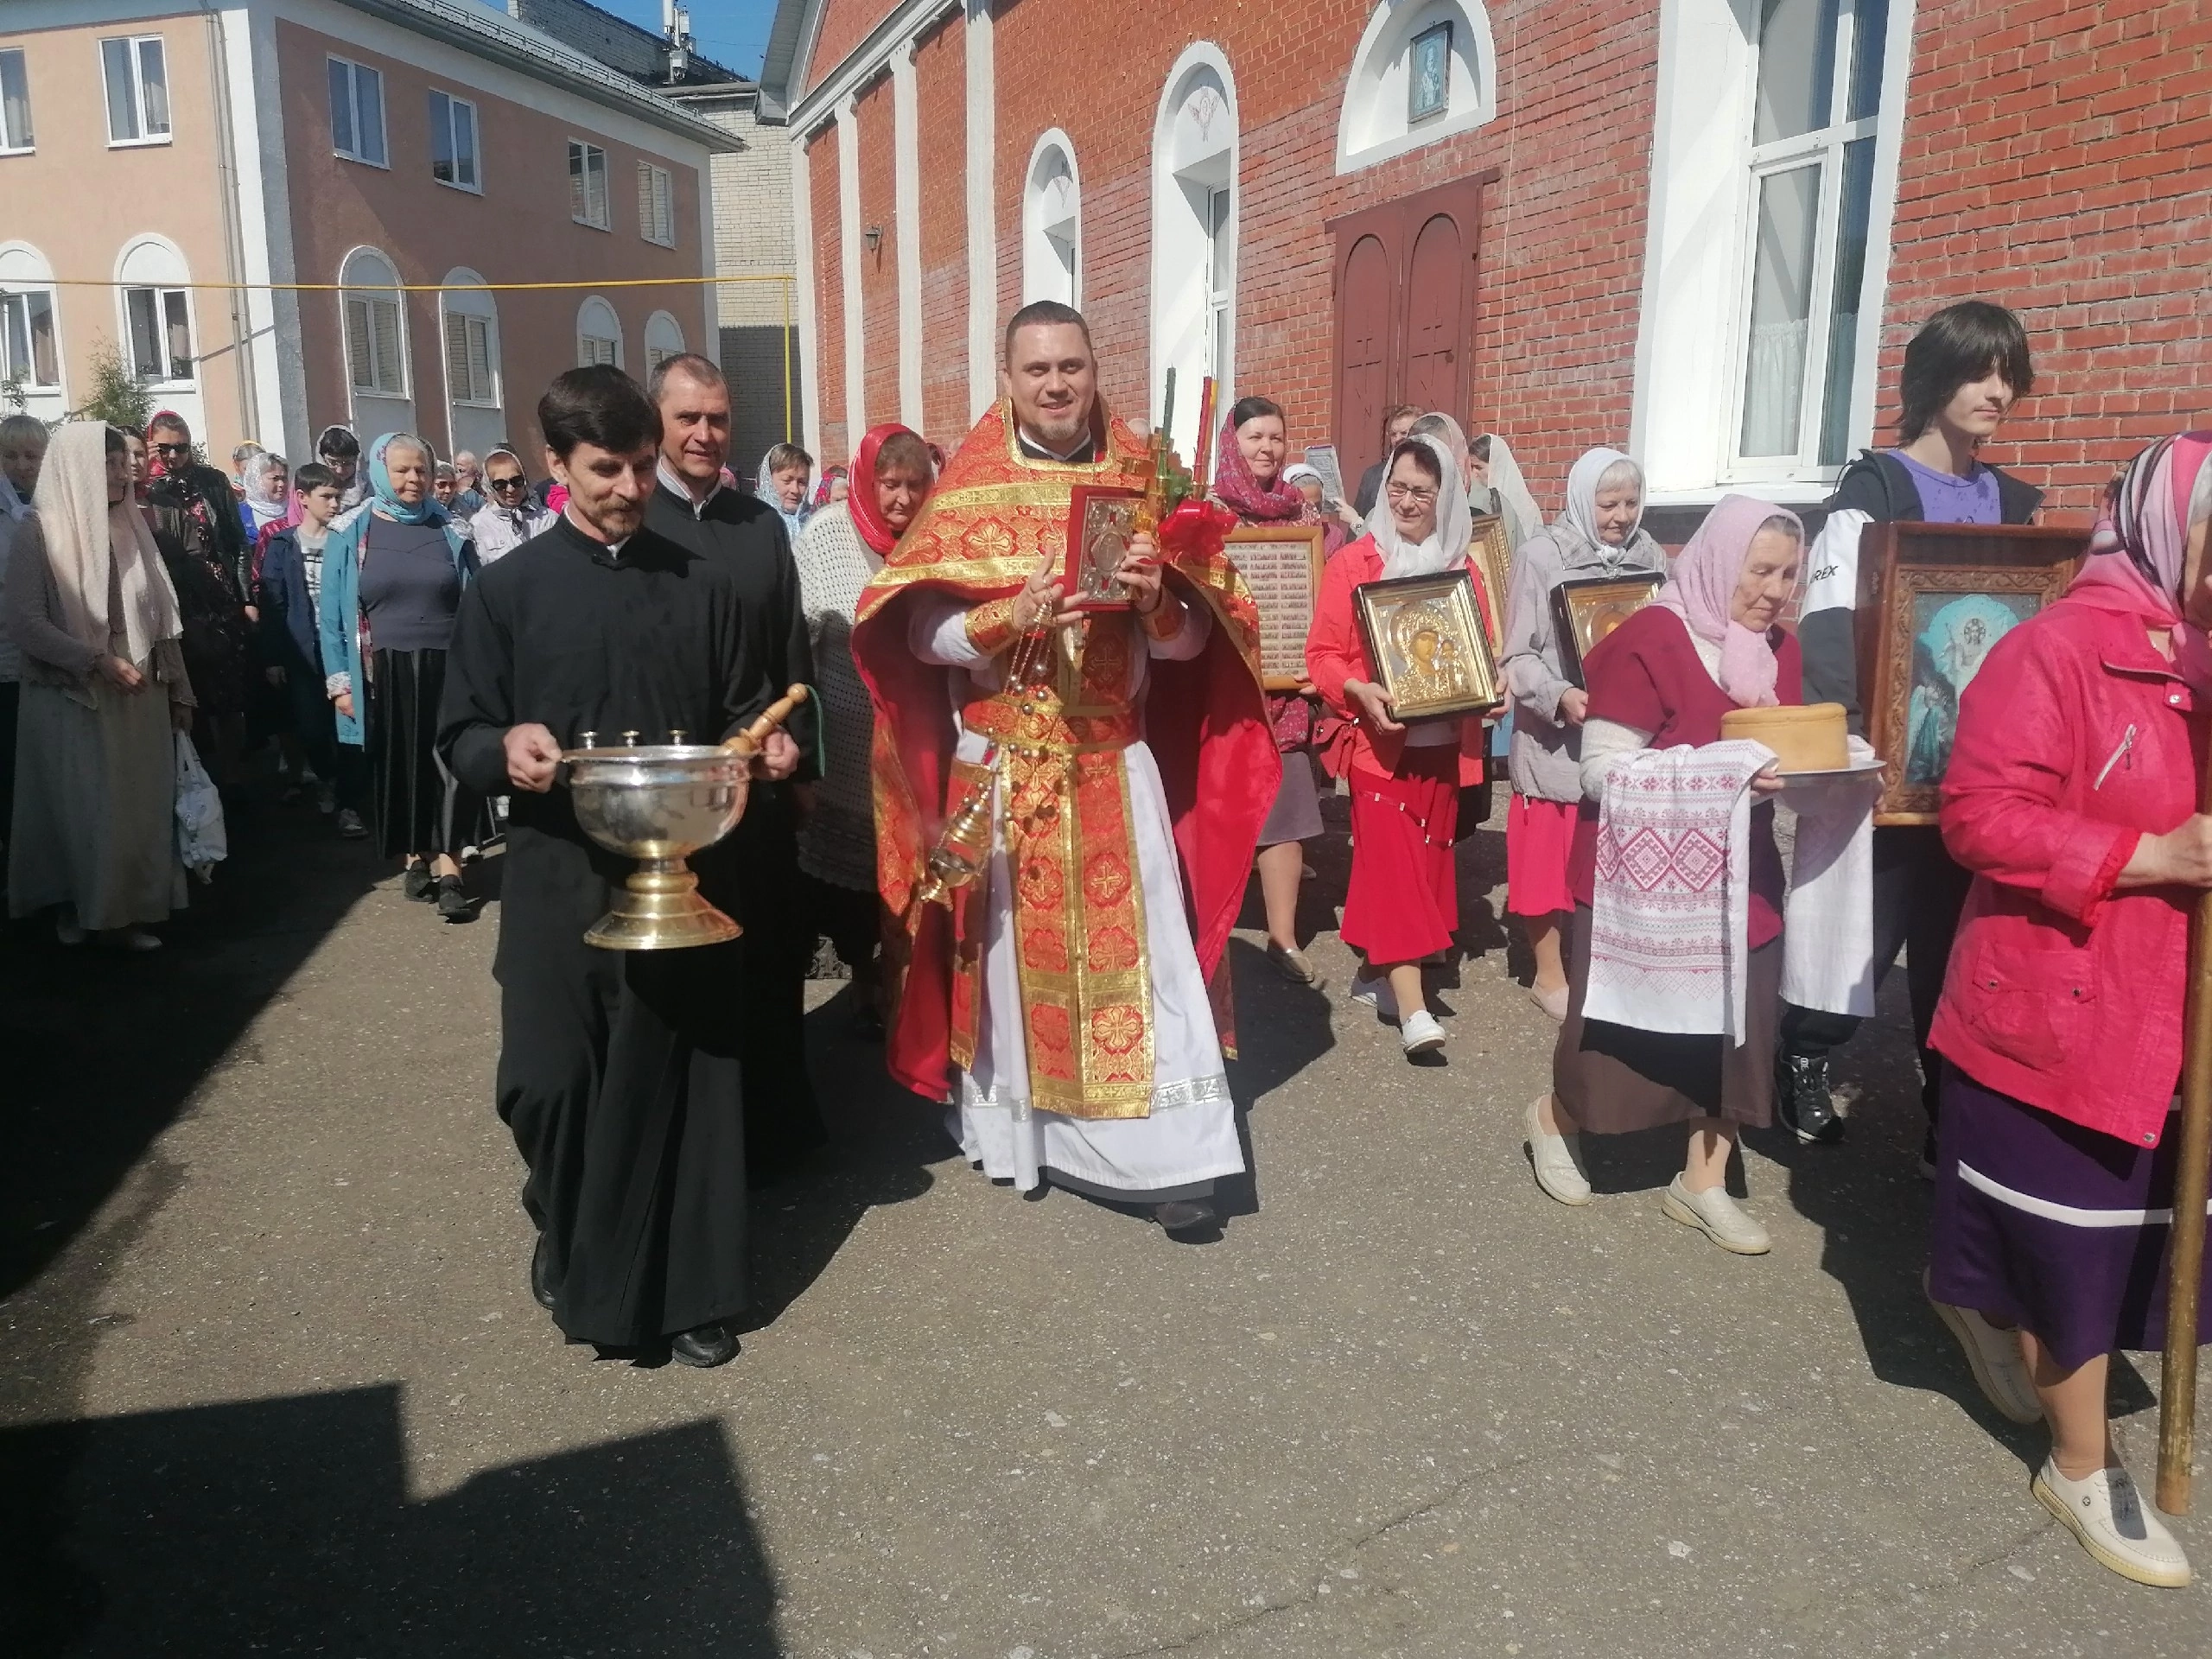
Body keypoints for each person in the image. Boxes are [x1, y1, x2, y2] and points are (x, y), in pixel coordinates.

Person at [852, 300, 1274, 1236]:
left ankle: (1171, 1158)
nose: (1055, 385)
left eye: (1071, 367)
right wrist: (1013, 615)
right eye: (1037, 369)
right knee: (1007, 966)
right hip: (1002, 764)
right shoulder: (964, 486)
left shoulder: (1140, 474)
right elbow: (916, 631)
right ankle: (1027, 1136)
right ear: (1008, 379)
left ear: (1094, 369)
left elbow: (1192, 643)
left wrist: (1159, 604)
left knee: (1147, 968)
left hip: (1110, 766)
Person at [438, 365, 801, 1369]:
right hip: (557, 874)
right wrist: (500, 748)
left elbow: (745, 703)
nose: (631, 488)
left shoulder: (704, 583)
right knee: (548, 1085)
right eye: (606, 469)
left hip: (683, 876)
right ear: (557, 464)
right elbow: (459, 729)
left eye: (642, 467)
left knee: (683, 1080)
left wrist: (763, 746)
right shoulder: (509, 592)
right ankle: (566, 1226)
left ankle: (694, 1294)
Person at [1920, 431, 2212, 1589]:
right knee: (2069, 1252)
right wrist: (2146, 851)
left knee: (2154, 1235)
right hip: (2062, 1009)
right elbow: (1977, 815)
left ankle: (1973, 1305)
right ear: (2164, 525)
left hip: (2178, 1017)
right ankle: (2080, 1464)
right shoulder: (2053, 653)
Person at [1783, 301, 2041, 1154]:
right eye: (1976, 371)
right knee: (1864, 922)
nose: (1994, 391)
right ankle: (1804, 1057)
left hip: (1984, 775)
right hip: (1889, 759)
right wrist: (1852, 738)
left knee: (1960, 944)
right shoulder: (1875, 488)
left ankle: (1949, 1110)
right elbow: (1826, 618)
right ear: (1934, 378)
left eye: (2006, 373)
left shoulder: (2011, 501)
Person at [1523, 495, 1805, 1253]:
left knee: (1735, 1035)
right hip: (1637, 884)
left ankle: (1701, 1182)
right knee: (1623, 1039)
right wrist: (1722, 777)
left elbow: (1792, 752)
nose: (1776, 591)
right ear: (1720, 562)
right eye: (1761, 570)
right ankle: (1555, 1118)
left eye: (1788, 573)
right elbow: (1602, 771)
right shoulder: (1652, 638)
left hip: (1739, 878)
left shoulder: (1779, 650)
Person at [644, 353, 825, 1184]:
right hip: (672, 793)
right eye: (688, 419)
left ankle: (775, 1123)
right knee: (687, 967)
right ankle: (693, 1141)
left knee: (771, 952)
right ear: (658, 424)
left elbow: (793, 651)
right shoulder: (635, 522)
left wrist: (805, 764)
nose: (705, 434)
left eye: (717, 418)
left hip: (760, 784)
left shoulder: (758, 527)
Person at [1307, 435, 1491, 1058]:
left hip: (1444, 747)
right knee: (1396, 867)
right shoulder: (1354, 563)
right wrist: (1358, 689)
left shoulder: (1462, 569)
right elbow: (1323, 657)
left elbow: (1480, 655)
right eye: (1400, 488)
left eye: (1423, 491)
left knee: (1430, 860)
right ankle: (1414, 1009)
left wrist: (1492, 686)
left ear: (1445, 499)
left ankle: (1372, 976)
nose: (1409, 502)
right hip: (1375, 747)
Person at [3, 423, 193, 949]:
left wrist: (179, 691)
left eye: (121, 461)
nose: (123, 470)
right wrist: (94, 662)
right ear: (76, 468)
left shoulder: (132, 527)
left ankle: (129, 912)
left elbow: (160, 621)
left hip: (140, 697)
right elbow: (25, 623)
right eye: (108, 462)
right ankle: (82, 907)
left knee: (136, 813)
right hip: (74, 697)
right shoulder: (38, 532)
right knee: (84, 812)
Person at [1500, 448, 1669, 1020]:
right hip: (1557, 743)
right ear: (1581, 499)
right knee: (1547, 864)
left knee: (1610, 864)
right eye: (1608, 503)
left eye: (1631, 502)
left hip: (1622, 738)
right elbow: (1518, 656)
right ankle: (1549, 974)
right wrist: (1558, 695)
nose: (1622, 516)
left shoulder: (1648, 554)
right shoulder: (1541, 557)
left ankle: (1603, 963)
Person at [792, 423, 932, 1028]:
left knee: (912, 872)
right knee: (850, 882)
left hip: (916, 742)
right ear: (867, 480)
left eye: (913, 485)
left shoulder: (935, 537)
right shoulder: (827, 536)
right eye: (889, 485)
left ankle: (908, 986)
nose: (901, 499)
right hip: (847, 748)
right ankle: (863, 975)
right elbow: (800, 638)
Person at [1210, 395, 1347, 987]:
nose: (1266, 449)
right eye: (1254, 438)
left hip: (1287, 691)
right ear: (1232, 443)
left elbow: (1331, 598)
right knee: (1216, 810)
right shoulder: (1206, 518)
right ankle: (1206, 929)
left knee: (1288, 813)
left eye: (1275, 439)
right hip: (1222, 692)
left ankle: (1283, 937)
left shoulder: (1306, 523)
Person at [319, 433, 486, 921]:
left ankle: (453, 869)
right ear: (379, 473)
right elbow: (331, 616)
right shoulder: (351, 530)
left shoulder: (453, 528)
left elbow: (475, 602)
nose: (414, 480)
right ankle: (415, 855)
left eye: (421, 470)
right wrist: (340, 683)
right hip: (384, 670)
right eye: (402, 471)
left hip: (450, 666)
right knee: (403, 764)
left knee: (451, 764)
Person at [257, 462, 368, 838]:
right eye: (327, 497)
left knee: (350, 726)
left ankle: (350, 804)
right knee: (313, 729)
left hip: (346, 648)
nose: (335, 504)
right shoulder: (283, 544)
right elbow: (273, 603)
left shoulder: (347, 540)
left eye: (338, 496)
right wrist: (272, 657)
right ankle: (328, 779)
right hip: (303, 652)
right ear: (302, 498)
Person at [144, 410, 252, 785]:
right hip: (176, 597)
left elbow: (237, 542)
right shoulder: (147, 489)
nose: (173, 456)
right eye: (165, 448)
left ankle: (235, 778)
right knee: (191, 688)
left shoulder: (211, 481)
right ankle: (198, 777)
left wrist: (244, 596)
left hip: (219, 594)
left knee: (229, 688)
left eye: (182, 448)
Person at [0, 414, 49, 867]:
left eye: (32, 455)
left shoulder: (54, 504)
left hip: (49, 657)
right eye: (11, 455)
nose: (21, 465)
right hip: (5, 658)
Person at [469, 447, 556, 564]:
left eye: (516, 481)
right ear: (489, 486)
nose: (511, 489)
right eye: (500, 484)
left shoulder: (548, 519)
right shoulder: (479, 525)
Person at [1470, 434, 1541, 554]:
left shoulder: (1528, 512)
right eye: (1470, 467)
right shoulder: (1475, 504)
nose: (1473, 473)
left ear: (1496, 467)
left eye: (1478, 467)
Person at [1352, 404, 1421, 518]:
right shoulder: (1373, 476)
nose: (1398, 439)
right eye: (1394, 434)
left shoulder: (1432, 473)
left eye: (1404, 433)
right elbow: (1358, 529)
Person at [757, 441, 814, 545]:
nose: (795, 490)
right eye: (787, 481)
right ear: (768, 480)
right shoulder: (754, 524)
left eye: (802, 482)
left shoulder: (815, 525)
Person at [238, 451, 289, 546]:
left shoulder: (296, 509)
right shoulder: (239, 514)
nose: (281, 484)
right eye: (275, 478)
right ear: (257, 480)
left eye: (284, 478)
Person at [317, 424, 367, 511]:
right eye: (333, 462)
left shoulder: (372, 491)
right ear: (322, 459)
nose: (339, 470)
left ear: (357, 461)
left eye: (347, 463)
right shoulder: (308, 488)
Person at [451, 450, 485, 518]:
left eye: (462, 465)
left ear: (472, 466)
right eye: (457, 464)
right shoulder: (454, 481)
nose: (459, 467)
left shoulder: (481, 481)